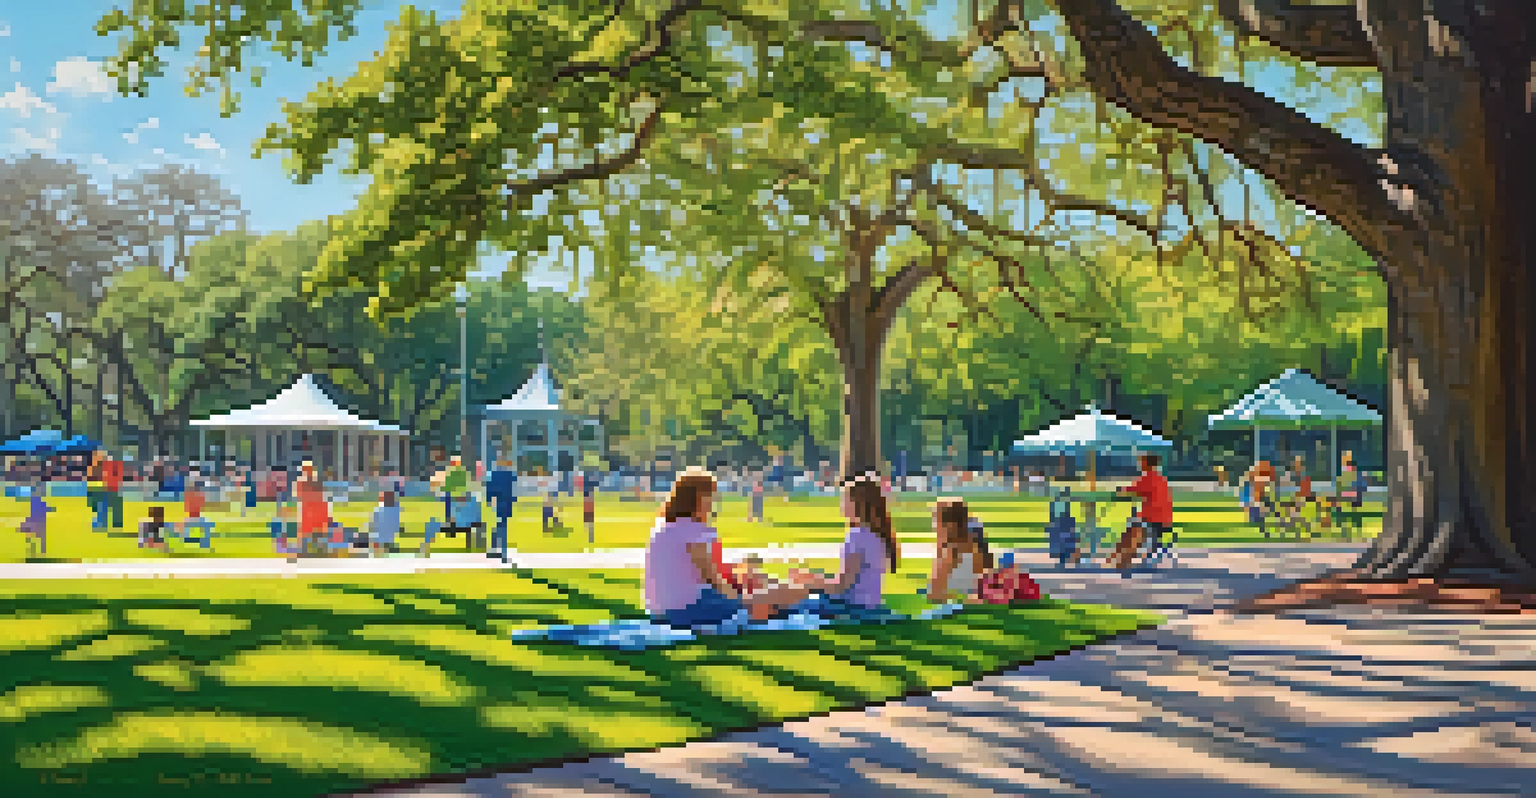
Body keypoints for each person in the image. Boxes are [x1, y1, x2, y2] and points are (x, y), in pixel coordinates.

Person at [644, 468, 809, 627]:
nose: (712, 505)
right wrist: (738, 601)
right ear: (699, 499)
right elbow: (712, 578)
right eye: (711, 498)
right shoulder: (694, 530)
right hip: (688, 610)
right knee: (784, 593)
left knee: (767, 595)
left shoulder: (662, 527)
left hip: (658, 611)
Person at [787, 473, 899, 615]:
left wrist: (809, 583)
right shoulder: (875, 535)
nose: (841, 505)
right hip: (866, 605)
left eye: (845, 500)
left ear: (857, 504)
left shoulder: (857, 536)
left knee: (790, 595)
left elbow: (840, 587)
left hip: (851, 607)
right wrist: (814, 578)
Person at [1109, 454, 1173, 569]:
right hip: (1164, 519)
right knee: (1132, 528)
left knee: (1132, 531)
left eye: (1142, 462)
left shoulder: (1148, 477)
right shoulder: (1160, 478)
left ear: (1147, 463)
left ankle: (1121, 559)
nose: (1140, 464)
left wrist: (1119, 491)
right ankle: (1117, 558)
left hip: (1153, 519)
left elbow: (1132, 489)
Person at [928, 497, 993, 602]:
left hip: (954, 602)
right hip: (970, 599)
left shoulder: (950, 552)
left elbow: (935, 595)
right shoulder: (974, 546)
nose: (934, 526)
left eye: (936, 520)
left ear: (949, 524)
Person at [486, 461, 518, 559]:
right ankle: (503, 552)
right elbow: (513, 489)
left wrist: (489, 499)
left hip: (499, 502)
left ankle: (495, 547)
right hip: (504, 502)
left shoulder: (496, 474)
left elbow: (490, 487)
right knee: (503, 526)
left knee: (501, 525)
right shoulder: (509, 475)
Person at [368, 491, 402, 556]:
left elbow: (374, 526)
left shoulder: (380, 511)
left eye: (381, 497)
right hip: (388, 540)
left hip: (380, 540)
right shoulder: (395, 511)